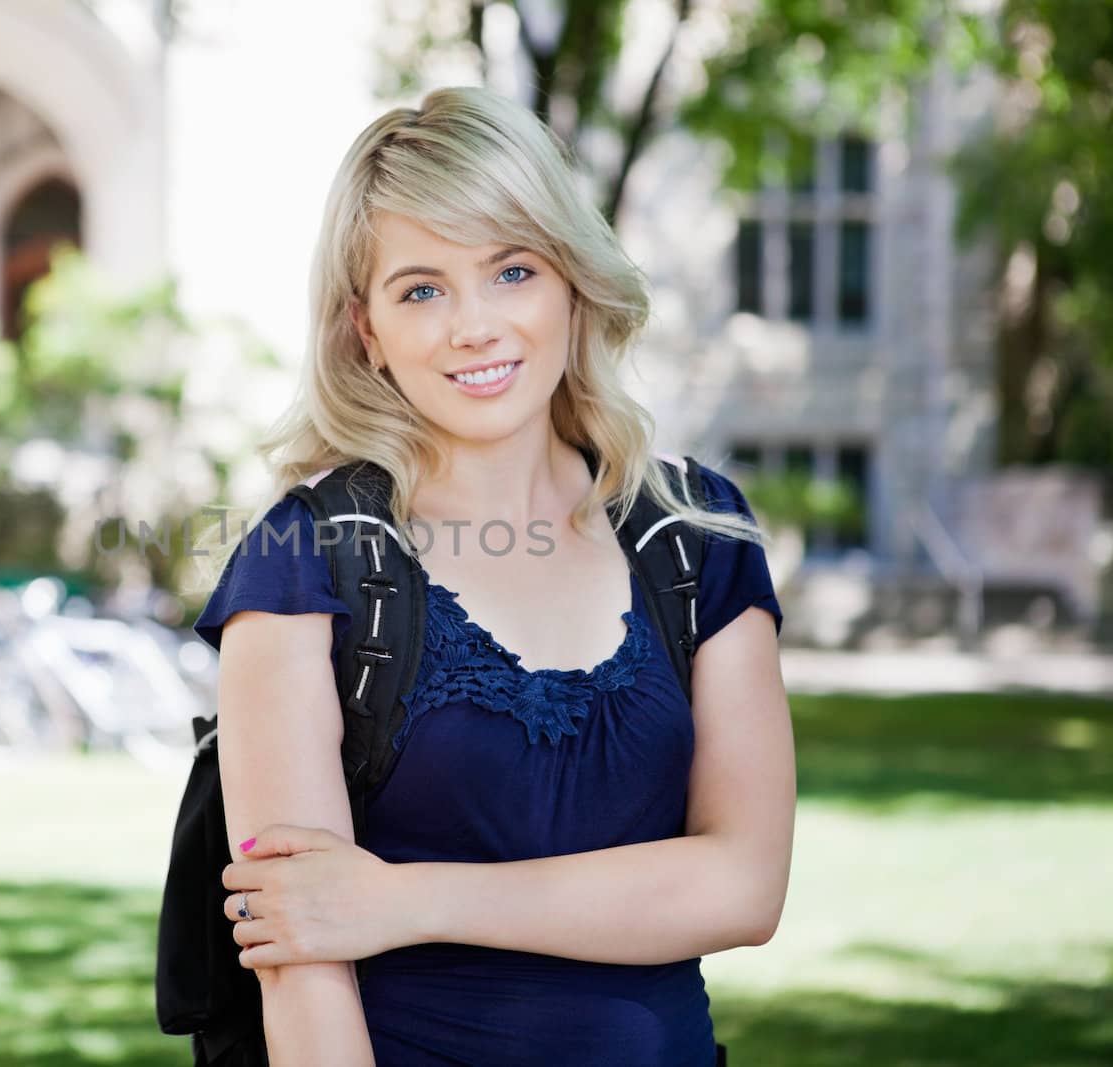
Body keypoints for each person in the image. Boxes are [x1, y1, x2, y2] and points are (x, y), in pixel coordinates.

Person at [189, 85, 795, 1066]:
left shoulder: (697, 536)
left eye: (510, 270)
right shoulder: (301, 564)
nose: (472, 325)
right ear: (366, 331)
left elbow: (742, 886)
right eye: (420, 288)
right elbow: (300, 955)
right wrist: (343, 910)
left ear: (571, 282)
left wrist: (397, 897)